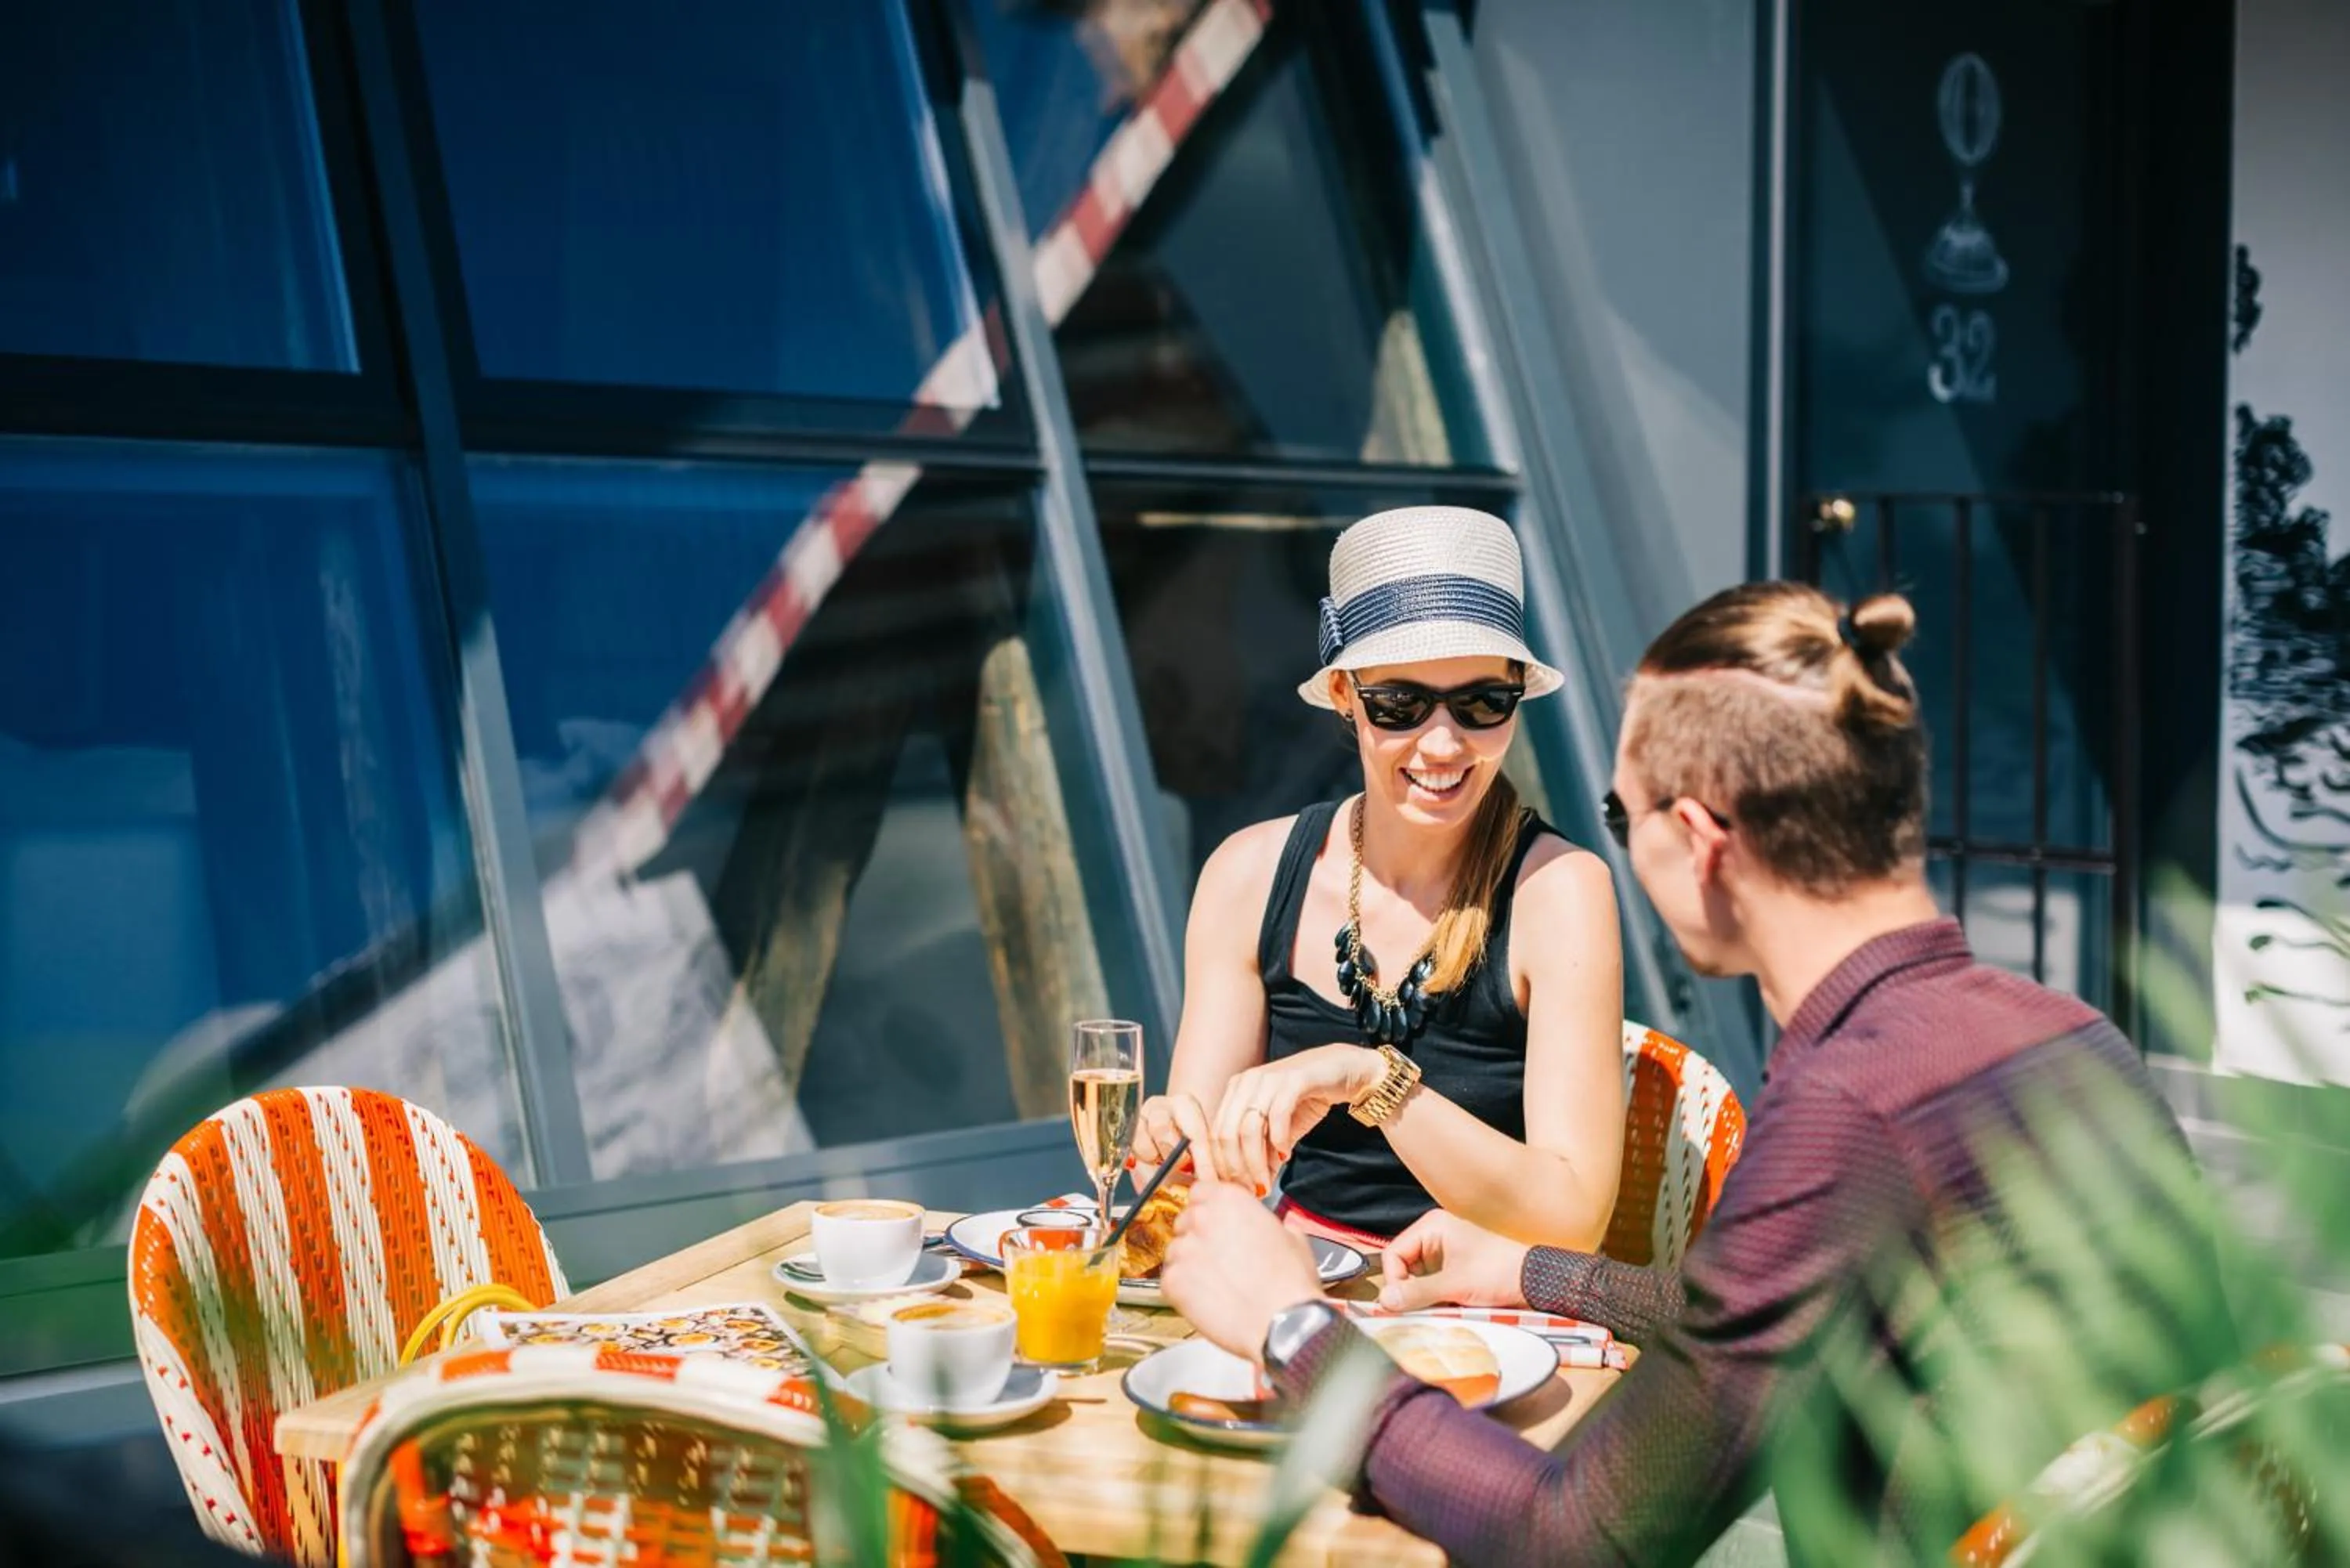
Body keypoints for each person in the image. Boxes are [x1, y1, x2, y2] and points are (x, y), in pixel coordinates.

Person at [1162, 582, 2230, 1565]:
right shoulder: (2063, 1030)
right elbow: (1760, 1309)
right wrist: (1533, 1271)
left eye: (1623, 817)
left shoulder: (1850, 1108)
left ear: (1701, 839)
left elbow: (1578, 1537)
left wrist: (1295, 1328)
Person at [1129, 505, 1625, 1250]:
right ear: (1343, 696)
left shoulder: (1559, 892)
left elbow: (1573, 1218)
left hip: (1488, 1325)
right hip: (1299, 1289)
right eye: (1400, 704)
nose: (1443, 743)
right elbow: (1201, 1180)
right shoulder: (1249, 876)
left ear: (1519, 692)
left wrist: (1372, 1083)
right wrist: (1167, 1153)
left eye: (1484, 702)